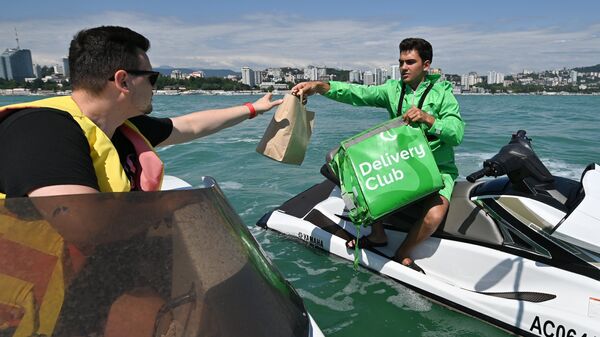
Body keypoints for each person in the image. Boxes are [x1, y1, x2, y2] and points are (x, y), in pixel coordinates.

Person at [0, 26, 282, 337]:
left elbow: (187, 126)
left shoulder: (118, 127)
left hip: (88, 276)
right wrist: (172, 203)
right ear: (123, 81)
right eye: (151, 77)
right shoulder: (43, 129)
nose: (154, 87)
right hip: (32, 306)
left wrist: (253, 108)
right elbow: (82, 223)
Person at [291, 38, 464, 270]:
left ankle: (402, 254)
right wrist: (320, 87)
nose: (403, 67)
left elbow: (457, 133)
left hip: (438, 169)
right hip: (401, 163)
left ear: (426, 65)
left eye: (410, 62)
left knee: (434, 216)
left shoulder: (443, 94)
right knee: (347, 167)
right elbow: (358, 93)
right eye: (401, 62)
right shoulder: (393, 90)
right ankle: (377, 235)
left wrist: (428, 118)